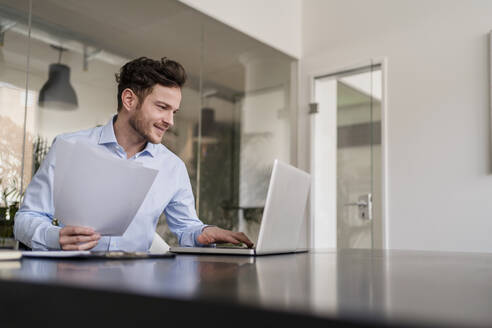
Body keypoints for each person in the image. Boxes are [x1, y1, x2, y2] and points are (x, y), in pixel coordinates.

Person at [14, 57, 253, 251]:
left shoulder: (172, 167)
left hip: (137, 289)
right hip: (74, 283)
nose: (169, 121)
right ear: (129, 99)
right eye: (162, 107)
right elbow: (26, 218)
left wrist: (203, 233)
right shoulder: (69, 146)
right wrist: (55, 237)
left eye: (174, 111)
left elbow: (187, 228)